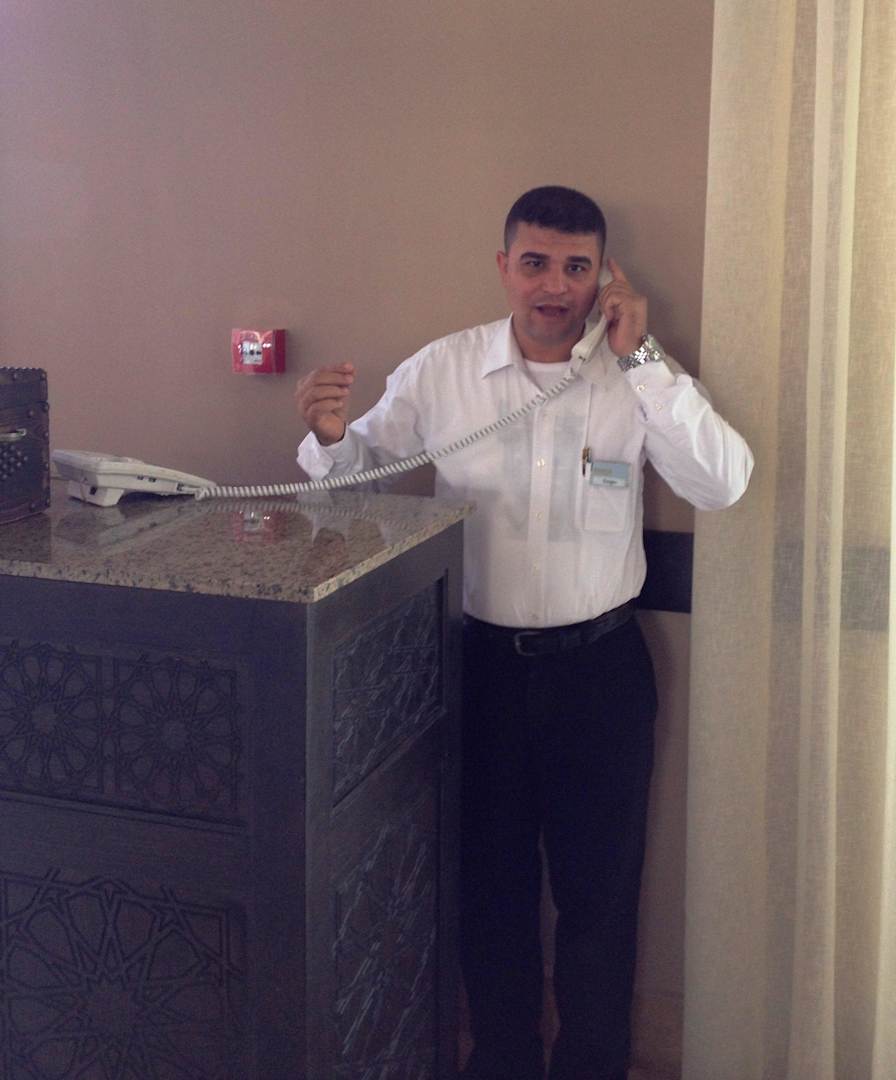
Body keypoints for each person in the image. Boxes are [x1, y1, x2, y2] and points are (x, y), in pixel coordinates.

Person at [295, 186, 753, 1080]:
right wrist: (328, 436)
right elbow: (352, 481)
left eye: (576, 267)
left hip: (602, 672)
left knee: (600, 901)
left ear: (604, 277)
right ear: (504, 266)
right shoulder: (446, 370)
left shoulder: (636, 373)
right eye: (536, 263)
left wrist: (642, 358)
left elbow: (723, 483)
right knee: (489, 892)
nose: (554, 286)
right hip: (478, 670)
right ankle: (500, 1061)